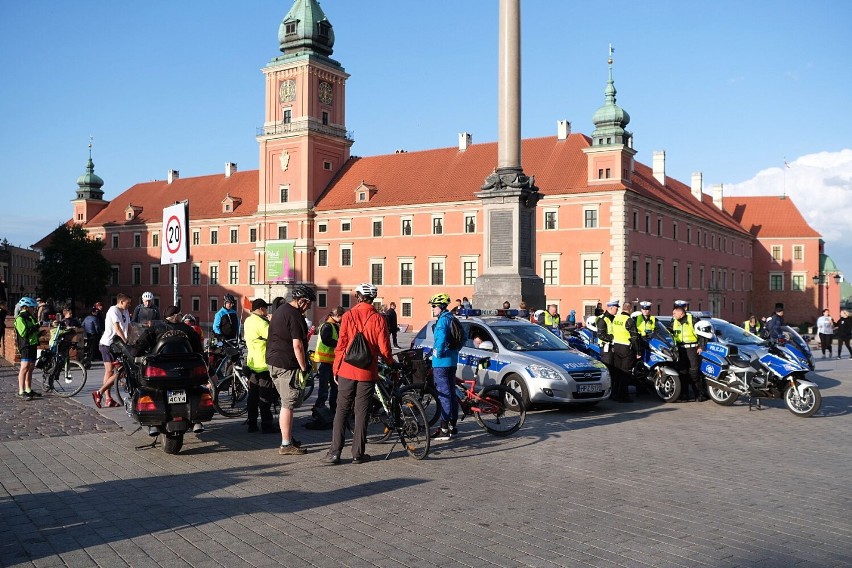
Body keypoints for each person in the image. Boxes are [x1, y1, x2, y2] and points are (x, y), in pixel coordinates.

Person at [324, 283, 393, 465]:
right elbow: (385, 348)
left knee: (341, 411)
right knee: (362, 413)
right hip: (367, 372)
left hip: (347, 369)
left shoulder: (348, 315)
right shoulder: (379, 319)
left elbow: (341, 344)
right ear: (372, 298)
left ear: (358, 297)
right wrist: (391, 363)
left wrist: (336, 369)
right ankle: (358, 454)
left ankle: (334, 453)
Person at [267, 285, 316, 456]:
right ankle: (286, 444)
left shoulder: (281, 310)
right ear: (302, 301)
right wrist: (304, 367)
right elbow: (297, 345)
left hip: (274, 361)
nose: (309, 308)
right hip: (286, 364)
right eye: (308, 304)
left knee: (287, 402)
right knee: (288, 404)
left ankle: (288, 438)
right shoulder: (294, 315)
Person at [428, 293, 464, 440]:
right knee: (452, 394)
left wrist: (436, 354)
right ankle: (453, 427)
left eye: (434, 306)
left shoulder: (442, 321)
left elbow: (441, 340)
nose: (433, 309)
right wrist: (454, 351)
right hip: (452, 361)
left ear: (441, 307)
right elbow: (464, 338)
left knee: (444, 395)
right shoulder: (453, 319)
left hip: (441, 364)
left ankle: (443, 429)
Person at [244, 298, 278, 434]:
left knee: (252, 396)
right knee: (265, 397)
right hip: (263, 364)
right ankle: (266, 424)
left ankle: (252, 423)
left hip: (252, 363)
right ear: (260, 309)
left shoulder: (248, 320)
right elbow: (274, 336)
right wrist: (272, 321)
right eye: (265, 308)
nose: (267, 311)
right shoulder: (262, 323)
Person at [308, 307, 345, 429]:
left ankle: (333, 410)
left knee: (334, 387)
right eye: (340, 317)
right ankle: (319, 410)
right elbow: (326, 340)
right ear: (335, 315)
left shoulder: (333, 325)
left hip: (332, 362)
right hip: (325, 362)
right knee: (324, 389)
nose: (341, 319)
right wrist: (339, 343)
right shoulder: (327, 326)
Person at [93, 293, 131, 408]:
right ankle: (106, 397)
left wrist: (131, 339)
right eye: (127, 303)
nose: (129, 305)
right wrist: (125, 341)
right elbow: (117, 328)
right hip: (108, 344)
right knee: (111, 371)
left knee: (120, 370)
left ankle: (103, 395)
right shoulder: (113, 310)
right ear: (121, 302)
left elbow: (129, 327)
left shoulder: (125, 311)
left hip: (117, 345)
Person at [670, 300, 707, 402]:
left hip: (692, 349)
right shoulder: (674, 321)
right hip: (681, 349)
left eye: (674, 313)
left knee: (694, 372)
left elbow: (702, 334)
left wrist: (701, 347)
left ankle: (700, 394)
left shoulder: (693, 320)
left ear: (681, 313)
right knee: (683, 372)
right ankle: (684, 395)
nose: (673, 315)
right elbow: (670, 333)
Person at [608, 301, 639, 402]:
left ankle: (615, 394)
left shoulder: (616, 318)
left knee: (618, 372)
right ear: (630, 309)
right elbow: (634, 338)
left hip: (616, 347)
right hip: (626, 349)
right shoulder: (629, 320)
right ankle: (623, 396)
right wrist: (638, 352)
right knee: (626, 373)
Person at [13, 297, 42, 400]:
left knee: (31, 368)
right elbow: (24, 332)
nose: (33, 309)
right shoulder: (20, 318)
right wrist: (35, 327)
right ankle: (21, 391)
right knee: (24, 367)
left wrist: (40, 332)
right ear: (26, 307)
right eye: (32, 307)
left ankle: (28, 389)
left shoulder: (31, 317)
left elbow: (33, 332)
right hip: (25, 345)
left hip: (33, 344)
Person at [595, 299, 620, 383]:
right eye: (616, 308)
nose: (617, 310)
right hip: (606, 348)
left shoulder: (614, 318)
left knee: (615, 370)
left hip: (614, 347)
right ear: (611, 308)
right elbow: (601, 335)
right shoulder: (602, 319)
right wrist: (613, 338)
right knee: (608, 368)